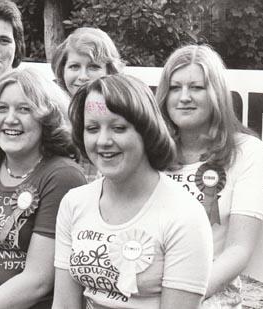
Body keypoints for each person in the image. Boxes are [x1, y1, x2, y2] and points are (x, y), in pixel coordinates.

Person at [53, 74, 213, 308]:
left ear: (146, 131)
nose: (103, 141)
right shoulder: (73, 203)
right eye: (92, 128)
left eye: (118, 128)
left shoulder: (185, 216)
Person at [0, 67, 86, 309]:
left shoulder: (63, 175)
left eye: (24, 109)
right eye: (0, 108)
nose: (10, 118)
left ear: (47, 118)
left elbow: (38, 280)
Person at [156, 44, 263, 308]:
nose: (184, 97)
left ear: (216, 93)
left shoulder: (247, 151)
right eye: (175, 87)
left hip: (209, 293)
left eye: (197, 87)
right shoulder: (151, 150)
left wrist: (182, 297)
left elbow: (239, 250)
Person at [51, 27, 124, 182]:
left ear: (109, 71)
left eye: (93, 67)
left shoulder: (122, 118)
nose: (83, 76)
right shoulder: (51, 118)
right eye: (74, 66)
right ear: (62, 71)